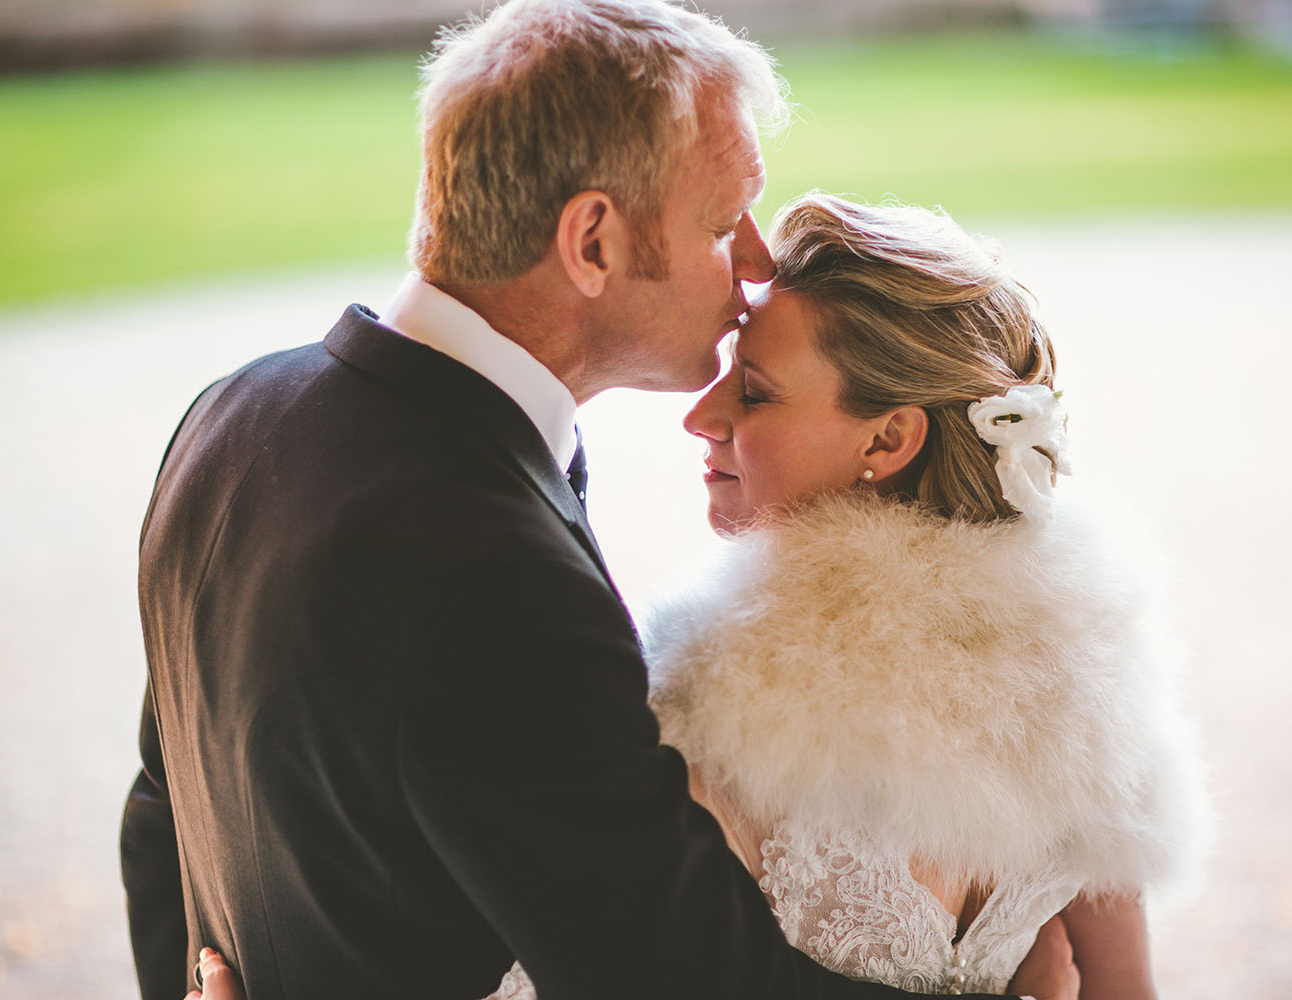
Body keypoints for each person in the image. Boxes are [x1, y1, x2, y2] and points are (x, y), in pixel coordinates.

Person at [122, 2, 1074, 1000]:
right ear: (593, 242)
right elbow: (671, 973)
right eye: (719, 222)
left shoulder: (230, 414)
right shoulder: (492, 575)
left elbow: (160, 814)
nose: (752, 262)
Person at [180, 193, 1204, 1000]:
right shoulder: (1086, 676)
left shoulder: (724, 701)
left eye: (754, 392)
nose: (701, 415)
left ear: (888, 440)